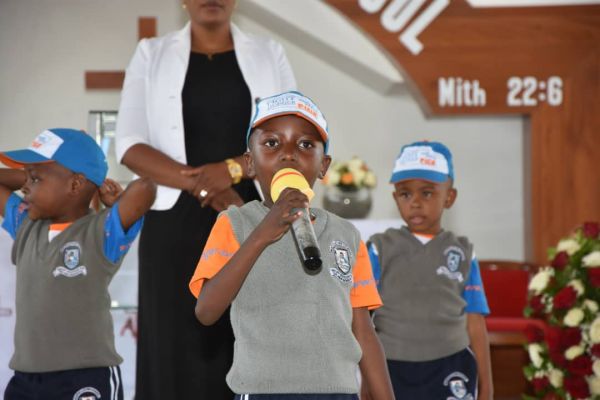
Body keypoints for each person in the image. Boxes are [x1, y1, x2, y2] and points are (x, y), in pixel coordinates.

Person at [114, 0, 296, 398]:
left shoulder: (269, 53)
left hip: (249, 216)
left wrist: (231, 170)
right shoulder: (151, 53)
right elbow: (129, 143)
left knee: (245, 334)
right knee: (172, 341)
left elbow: (289, 136)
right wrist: (201, 183)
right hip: (173, 222)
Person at [189, 91, 395, 400]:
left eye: (305, 145)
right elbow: (206, 310)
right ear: (250, 163)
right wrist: (262, 234)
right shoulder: (235, 223)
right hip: (262, 391)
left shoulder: (346, 235)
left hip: (336, 392)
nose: (289, 155)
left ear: (324, 166)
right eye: (272, 143)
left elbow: (363, 331)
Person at [0, 128, 156, 400]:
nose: (25, 187)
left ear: (75, 185)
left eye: (35, 179)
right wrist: (33, 174)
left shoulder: (100, 231)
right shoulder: (26, 226)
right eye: (26, 177)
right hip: (26, 380)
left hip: (85, 377)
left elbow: (146, 187)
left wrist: (110, 194)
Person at [366, 141, 493, 400]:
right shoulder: (380, 248)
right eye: (405, 194)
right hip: (391, 367)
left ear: (449, 197)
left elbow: (475, 322)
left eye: (426, 193)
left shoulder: (463, 252)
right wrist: (367, 380)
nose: (415, 203)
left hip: (452, 365)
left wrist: (487, 388)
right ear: (395, 198)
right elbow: (363, 319)